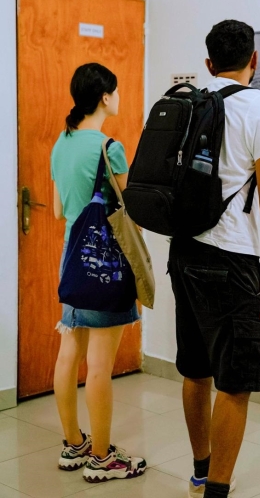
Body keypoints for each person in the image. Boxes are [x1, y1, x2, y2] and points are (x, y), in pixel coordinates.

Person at [168, 20, 260, 498]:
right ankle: (216, 491)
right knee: (235, 382)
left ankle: (201, 472)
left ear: (209, 63)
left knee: (195, 370)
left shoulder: (190, 101)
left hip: (184, 250)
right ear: (253, 60)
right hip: (232, 258)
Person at [50, 63, 146, 482]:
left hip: (72, 259)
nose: (118, 97)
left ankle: (74, 443)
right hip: (104, 265)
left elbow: (59, 210)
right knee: (100, 365)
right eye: (116, 91)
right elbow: (130, 213)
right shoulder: (110, 148)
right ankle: (103, 458)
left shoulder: (62, 142)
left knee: (69, 352)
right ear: (105, 97)